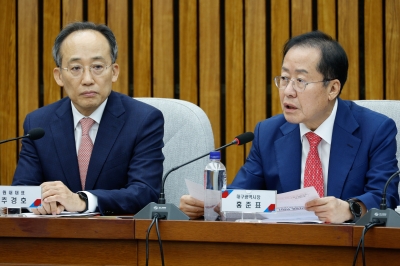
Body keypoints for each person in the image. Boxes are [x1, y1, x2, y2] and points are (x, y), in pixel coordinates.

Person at [180, 30, 399, 223]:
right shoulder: (268, 132)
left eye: (300, 81)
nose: (288, 91)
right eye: (284, 79)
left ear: (332, 89)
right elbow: (241, 193)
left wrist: (350, 209)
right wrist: (212, 205)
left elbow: (385, 196)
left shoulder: (375, 130)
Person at [12, 21, 164, 216]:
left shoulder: (144, 120)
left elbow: (145, 192)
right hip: (54, 239)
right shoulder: (38, 124)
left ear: (114, 72)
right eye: (75, 68)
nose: (87, 79)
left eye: (97, 66)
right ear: (59, 76)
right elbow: (21, 194)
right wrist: (38, 201)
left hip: (118, 239)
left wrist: (82, 201)